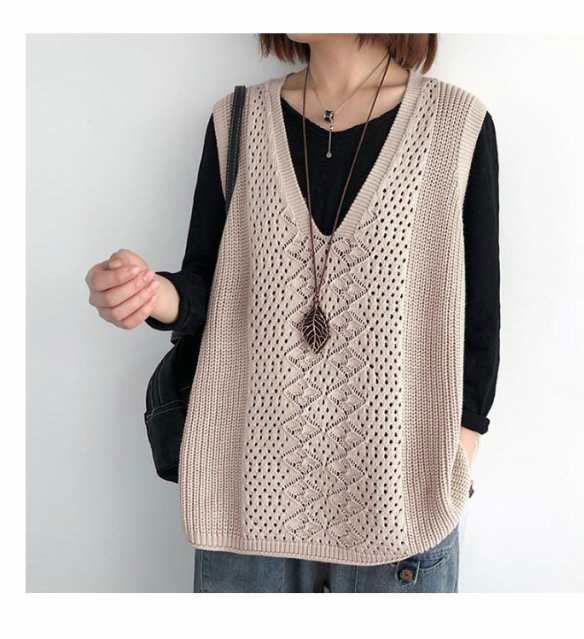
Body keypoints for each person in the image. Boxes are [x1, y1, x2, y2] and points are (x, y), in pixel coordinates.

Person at [84, 34, 500, 593]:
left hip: (398, 498)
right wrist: (150, 294)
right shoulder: (238, 121)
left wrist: (459, 452)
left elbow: (479, 319)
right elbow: (211, 285)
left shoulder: (456, 125)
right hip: (248, 498)